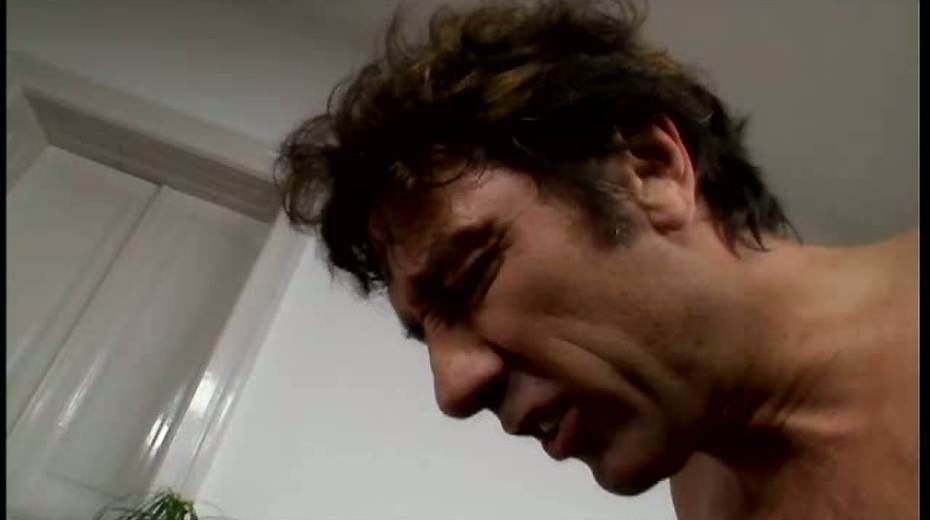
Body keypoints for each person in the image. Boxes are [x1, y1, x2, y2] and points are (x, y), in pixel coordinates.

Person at [275, 1, 918, 518]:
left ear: (652, 169)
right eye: (426, 335)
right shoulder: (700, 483)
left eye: (472, 277)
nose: (453, 388)